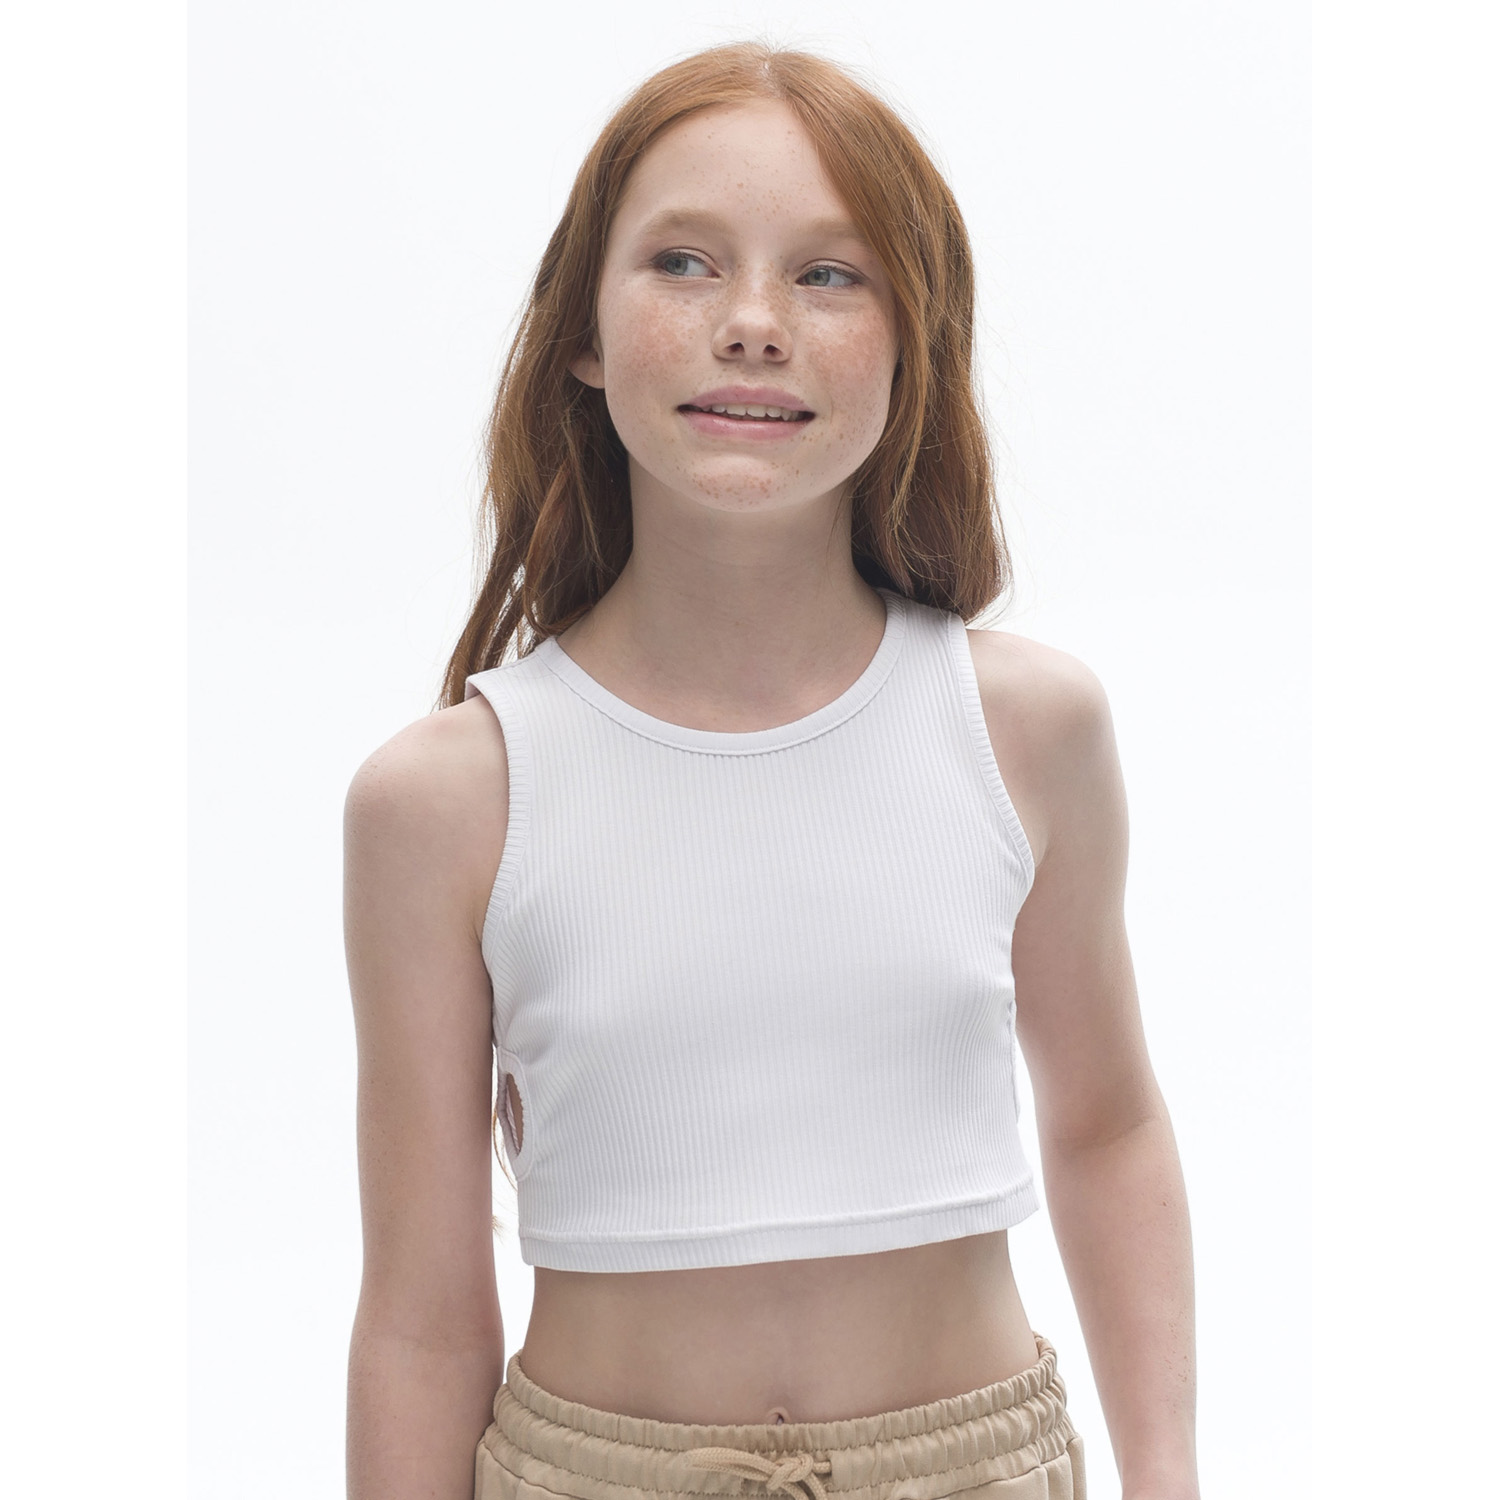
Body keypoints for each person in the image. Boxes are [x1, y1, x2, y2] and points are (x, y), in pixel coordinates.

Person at [343, 41, 1199, 1500]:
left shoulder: (1026, 732)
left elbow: (1109, 1128)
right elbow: (422, 1320)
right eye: (682, 262)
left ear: (915, 342)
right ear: (582, 332)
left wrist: (1167, 1476)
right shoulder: (450, 801)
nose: (752, 324)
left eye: (829, 274)